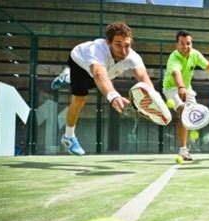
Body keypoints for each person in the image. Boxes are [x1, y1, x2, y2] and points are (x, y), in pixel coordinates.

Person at [59, 22, 158, 155]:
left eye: (127, 45)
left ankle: (66, 78)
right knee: (80, 100)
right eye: (118, 44)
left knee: (99, 81)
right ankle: (68, 137)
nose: (123, 51)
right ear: (108, 42)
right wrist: (113, 96)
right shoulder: (96, 50)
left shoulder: (133, 57)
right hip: (80, 64)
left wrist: (154, 100)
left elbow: (144, 78)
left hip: (104, 72)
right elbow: (99, 73)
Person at [163, 30, 209, 161]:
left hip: (188, 90)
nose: (185, 46)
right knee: (183, 111)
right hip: (171, 88)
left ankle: (188, 143)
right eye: (182, 43)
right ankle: (183, 149)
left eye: (188, 43)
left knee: (191, 116)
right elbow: (176, 73)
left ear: (191, 44)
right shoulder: (173, 57)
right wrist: (181, 87)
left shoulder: (195, 54)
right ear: (177, 45)